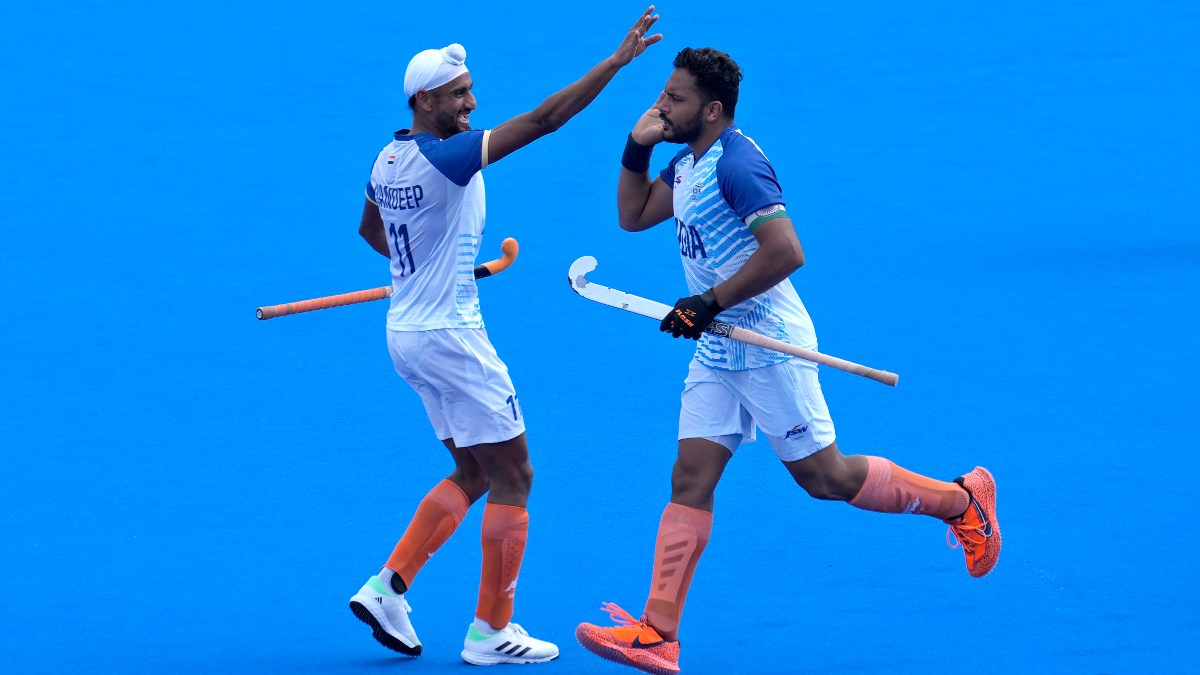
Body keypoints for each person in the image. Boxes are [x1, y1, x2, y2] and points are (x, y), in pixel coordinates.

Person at [575, 47, 1001, 674]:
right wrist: (635, 149)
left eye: (676, 98)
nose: (663, 106)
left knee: (825, 480)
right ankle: (658, 634)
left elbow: (787, 251)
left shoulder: (739, 165)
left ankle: (963, 501)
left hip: (768, 344)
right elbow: (633, 216)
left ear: (713, 109)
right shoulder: (687, 163)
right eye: (664, 94)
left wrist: (707, 301)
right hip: (718, 343)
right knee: (690, 478)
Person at [347, 9, 662, 666]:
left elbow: (372, 233)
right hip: (453, 339)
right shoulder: (450, 157)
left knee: (473, 469)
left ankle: (388, 586)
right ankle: (492, 628)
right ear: (426, 100)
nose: (473, 102)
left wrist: (429, 266)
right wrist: (615, 62)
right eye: (461, 93)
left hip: (405, 333)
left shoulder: (386, 155)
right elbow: (546, 120)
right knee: (515, 471)